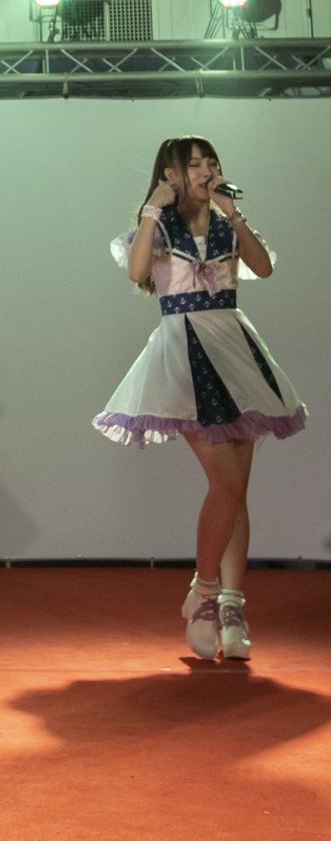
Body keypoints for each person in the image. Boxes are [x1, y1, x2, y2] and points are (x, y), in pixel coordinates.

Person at [93, 136, 306, 662]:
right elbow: (138, 272)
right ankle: (206, 593)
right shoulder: (159, 223)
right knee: (226, 483)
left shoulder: (225, 220)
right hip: (183, 355)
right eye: (196, 164)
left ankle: (232, 605)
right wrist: (152, 209)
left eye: (212, 162)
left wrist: (234, 214)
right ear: (171, 173)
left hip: (235, 349)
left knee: (238, 490)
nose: (208, 170)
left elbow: (264, 266)